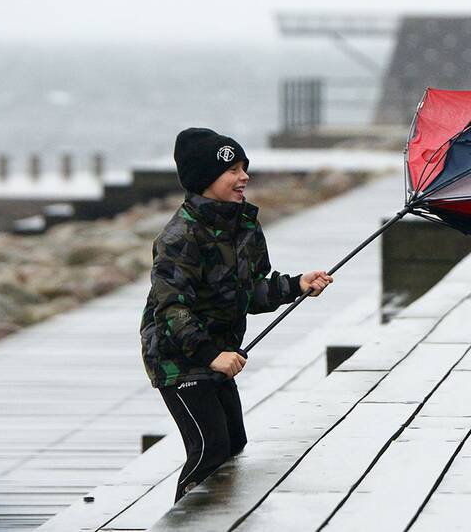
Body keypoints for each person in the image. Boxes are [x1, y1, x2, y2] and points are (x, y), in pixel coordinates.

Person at [139, 127, 333, 502]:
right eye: (233, 170)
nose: (244, 177)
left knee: (234, 443)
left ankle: (217, 518)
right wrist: (211, 354)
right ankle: (183, 523)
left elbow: (251, 291)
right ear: (205, 179)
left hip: (219, 353)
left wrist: (297, 285)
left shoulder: (243, 224)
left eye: (244, 168)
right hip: (179, 358)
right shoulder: (180, 236)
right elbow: (172, 308)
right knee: (209, 449)